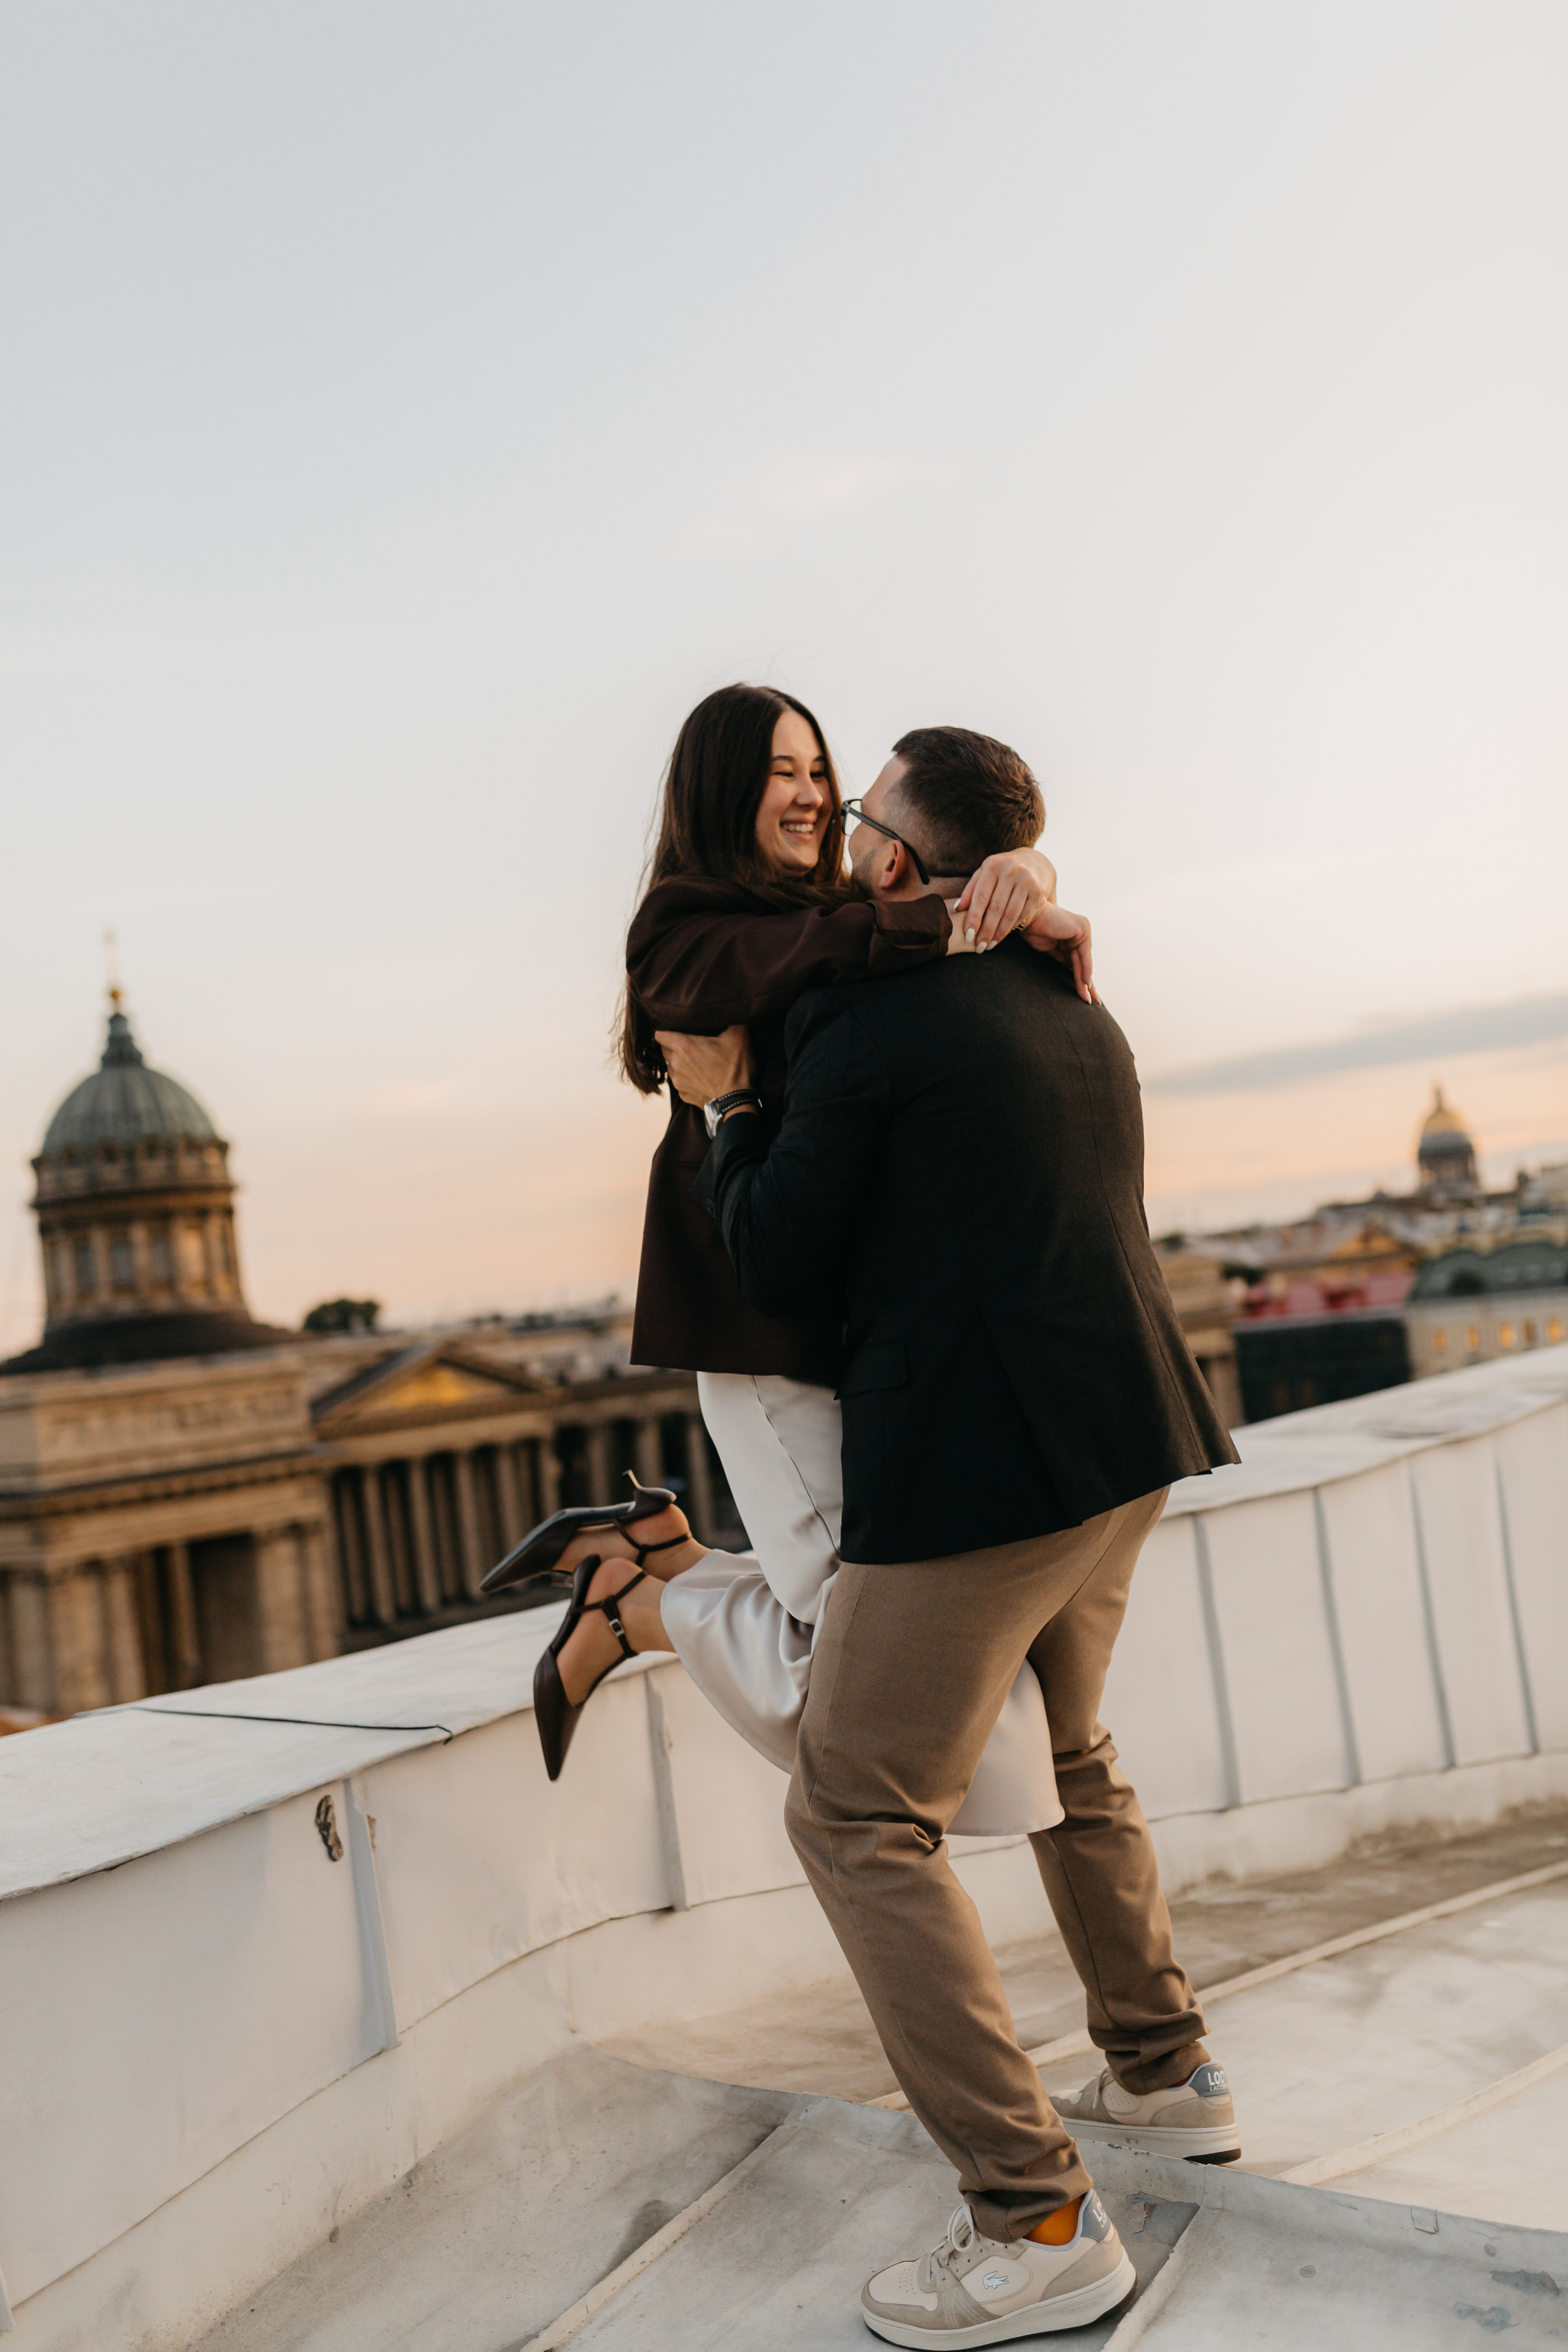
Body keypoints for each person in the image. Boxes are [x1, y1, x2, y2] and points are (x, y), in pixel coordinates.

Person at [665, 724, 1241, 2343]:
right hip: (1126, 1434)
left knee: (856, 1813)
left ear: (903, 866)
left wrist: (725, 1118)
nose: (844, 841)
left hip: (980, 1471)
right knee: (1069, 1751)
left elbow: (776, 1252)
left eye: (859, 821)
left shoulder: (864, 1014)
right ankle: (1166, 2069)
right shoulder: (1071, 993)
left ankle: (1034, 2215)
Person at [486, 684, 1092, 1839]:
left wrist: (1026, 876)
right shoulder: (683, 932)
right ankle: (643, 1607)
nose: (813, 794)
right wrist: (988, 906)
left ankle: (652, 1570)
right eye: (781, 772)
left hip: (862, 1329)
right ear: (721, 788)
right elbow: (831, 945)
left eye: (822, 770)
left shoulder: (828, 907)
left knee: (901, 1674)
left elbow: (894, 893)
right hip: (759, 1335)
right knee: (865, 1674)